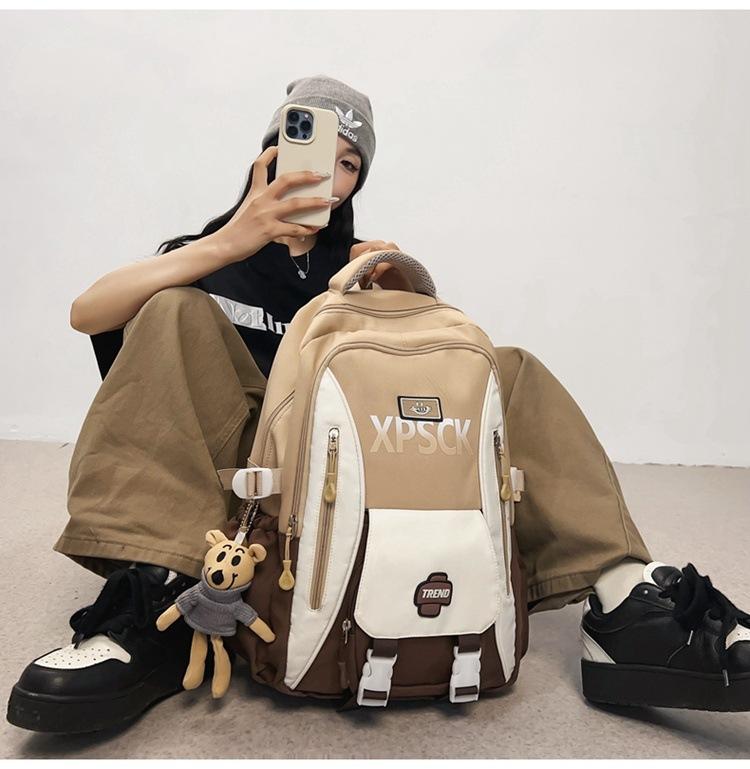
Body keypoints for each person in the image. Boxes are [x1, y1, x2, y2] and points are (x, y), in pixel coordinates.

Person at [7, 75, 750, 736]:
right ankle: (153, 600)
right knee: (172, 309)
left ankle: (625, 603)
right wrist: (230, 241)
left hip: (342, 474)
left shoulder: (361, 265)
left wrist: (394, 305)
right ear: (269, 152)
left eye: (349, 163)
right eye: (309, 147)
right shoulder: (204, 251)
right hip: (238, 488)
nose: (328, 175)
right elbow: (87, 312)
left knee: (508, 367)